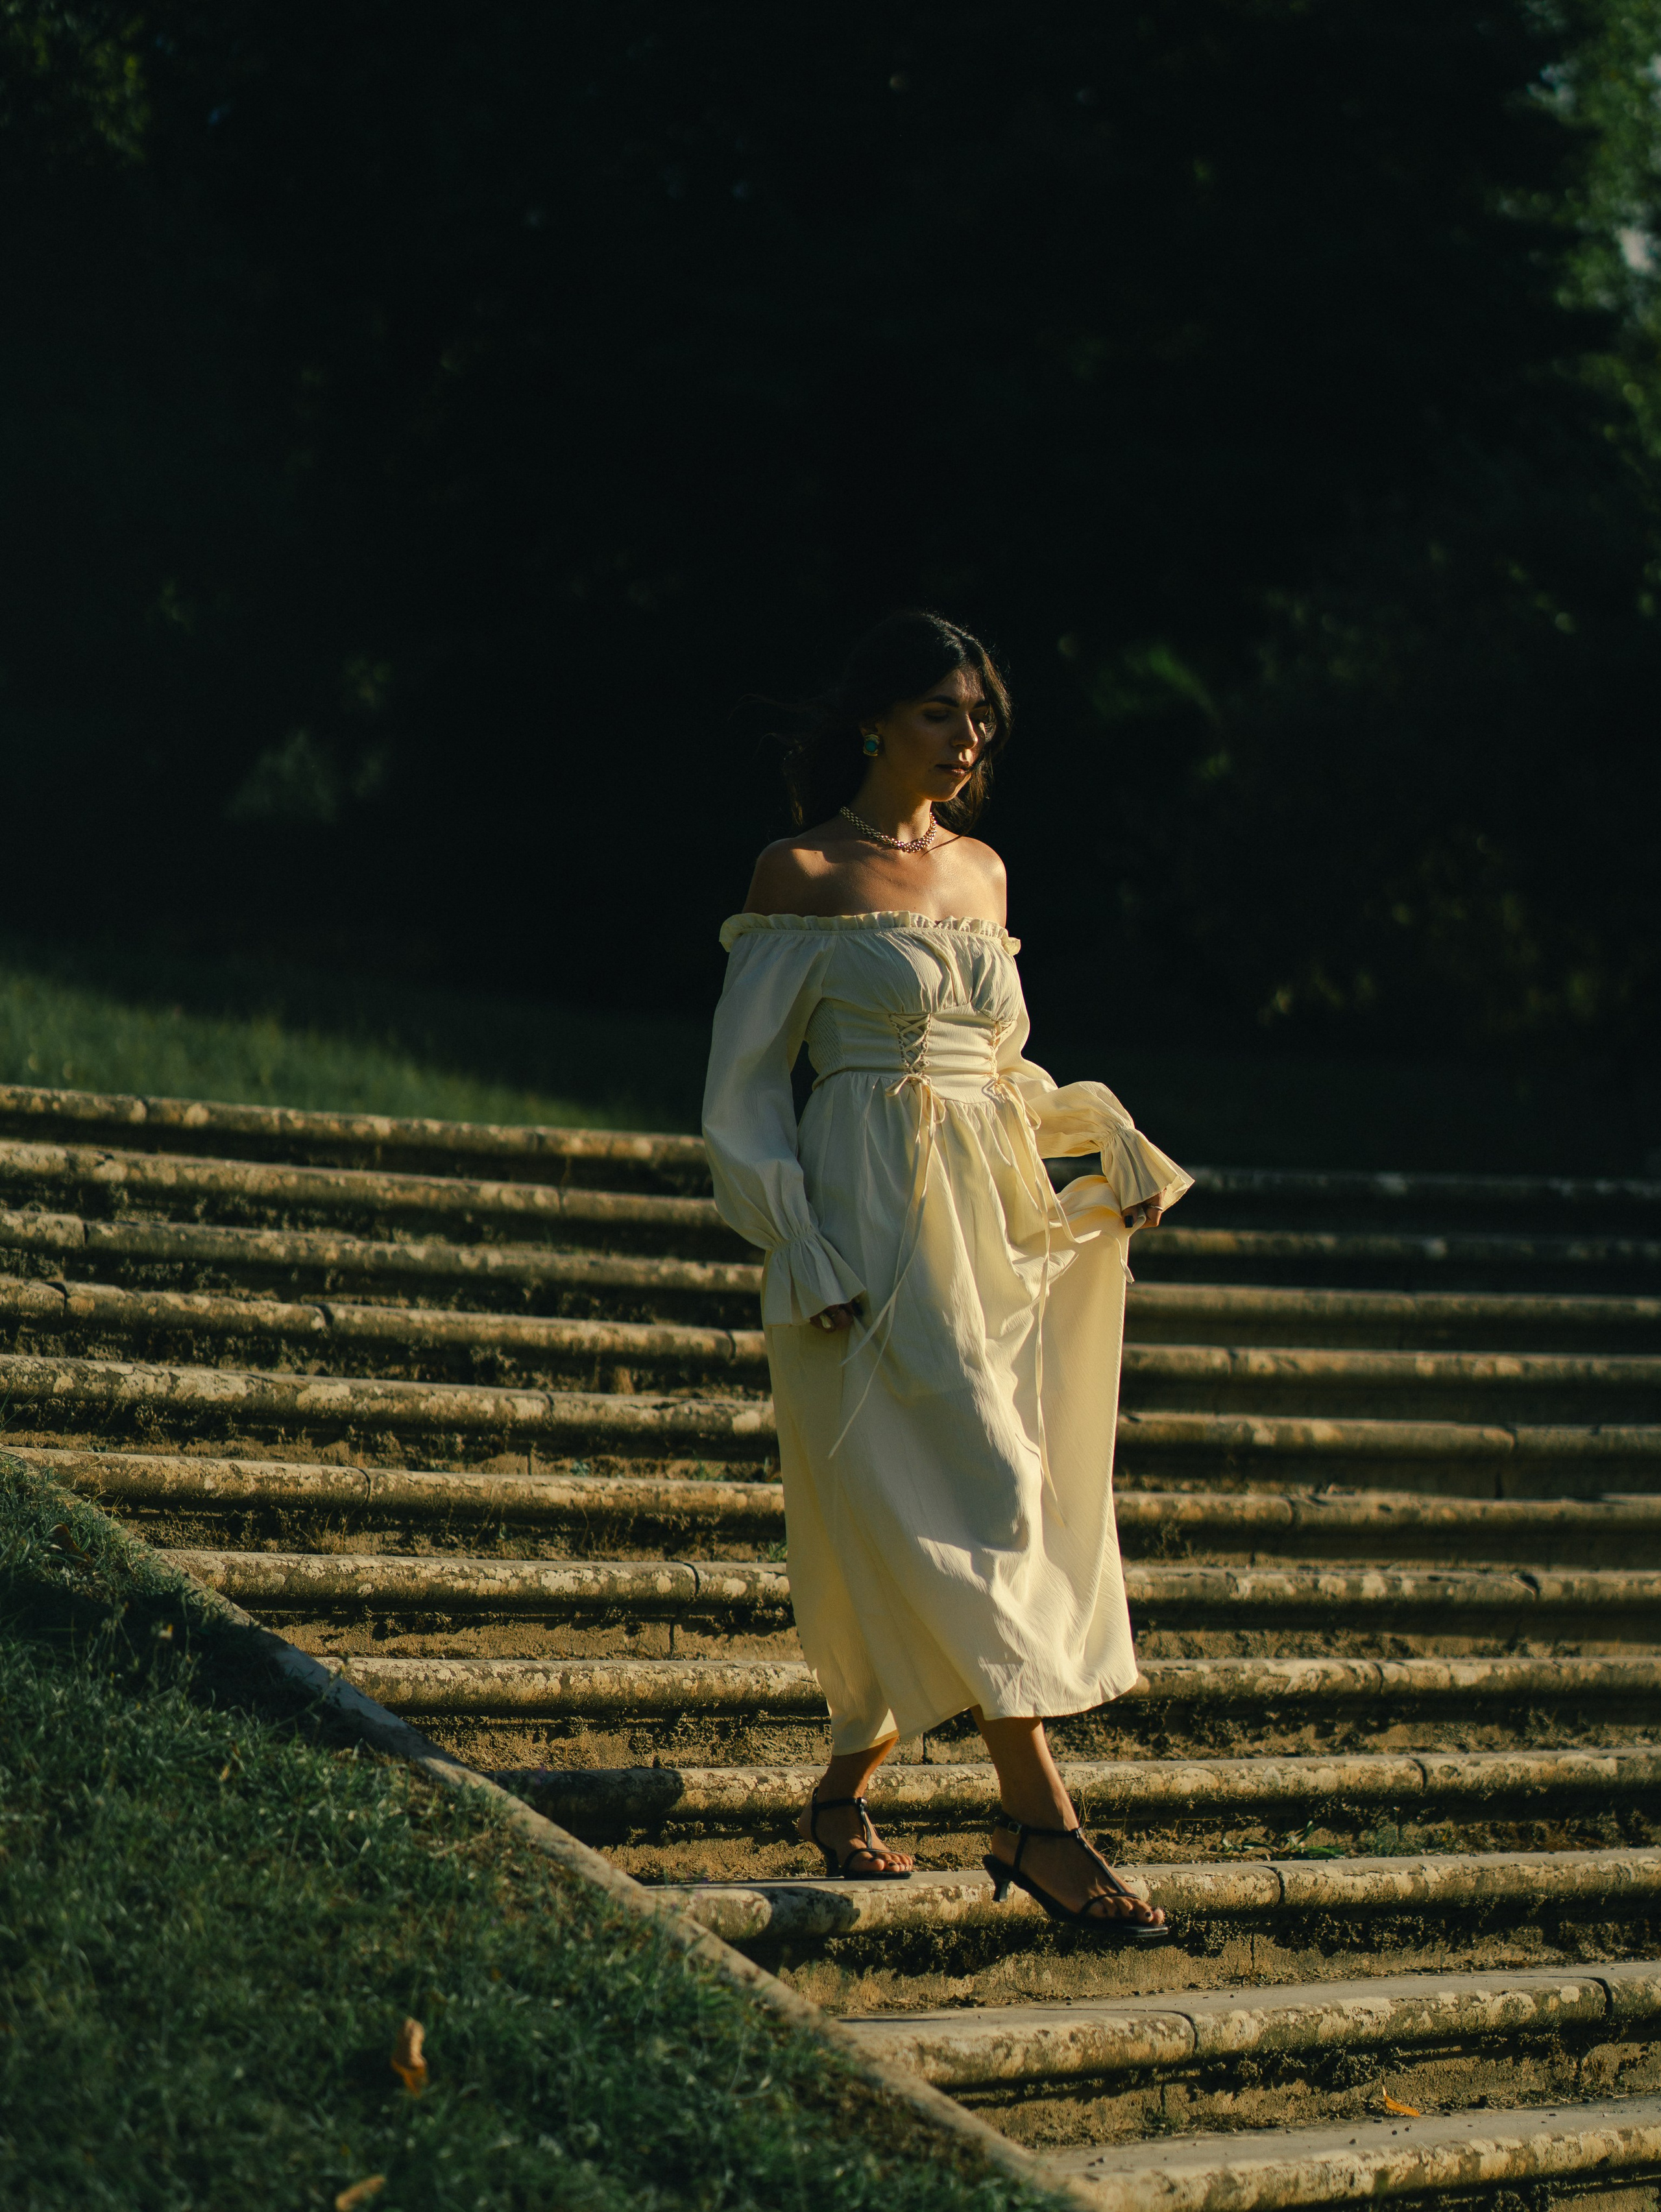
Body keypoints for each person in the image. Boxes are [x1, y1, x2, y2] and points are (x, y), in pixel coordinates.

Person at [701, 610, 1191, 1941]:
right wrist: (798, 1245)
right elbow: (741, 1098)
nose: (968, 741)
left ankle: (841, 1787)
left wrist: (1102, 1140)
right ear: (874, 719)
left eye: (980, 721)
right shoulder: (800, 871)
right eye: (940, 714)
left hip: (992, 1228)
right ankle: (1043, 1826)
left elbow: (997, 1077)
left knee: (988, 1493)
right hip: (864, 1228)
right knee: (973, 1491)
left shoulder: (983, 876)